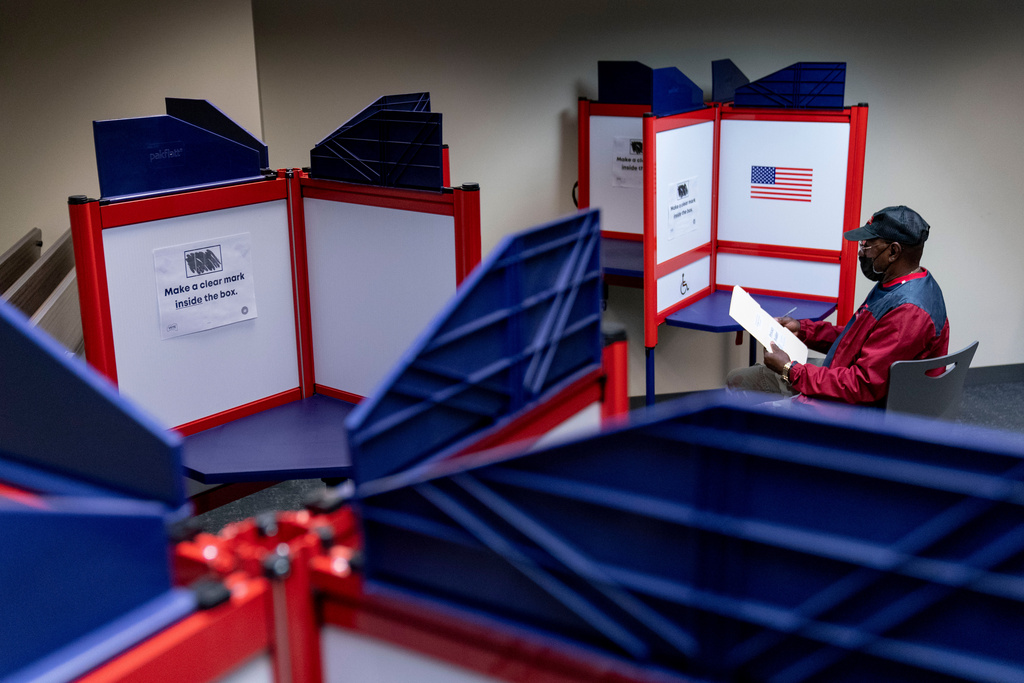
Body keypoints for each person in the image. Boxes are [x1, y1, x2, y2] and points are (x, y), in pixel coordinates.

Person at [726, 205, 949, 406]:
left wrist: (790, 370)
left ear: (893, 252)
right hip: (852, 382)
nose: (863, 252)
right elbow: (858, 337)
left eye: (869, 245)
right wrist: (804, 330)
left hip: (857, 407)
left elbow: (861, 385)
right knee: (744, 378)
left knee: (739, 386)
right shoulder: (906, 283)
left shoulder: (909, 312)